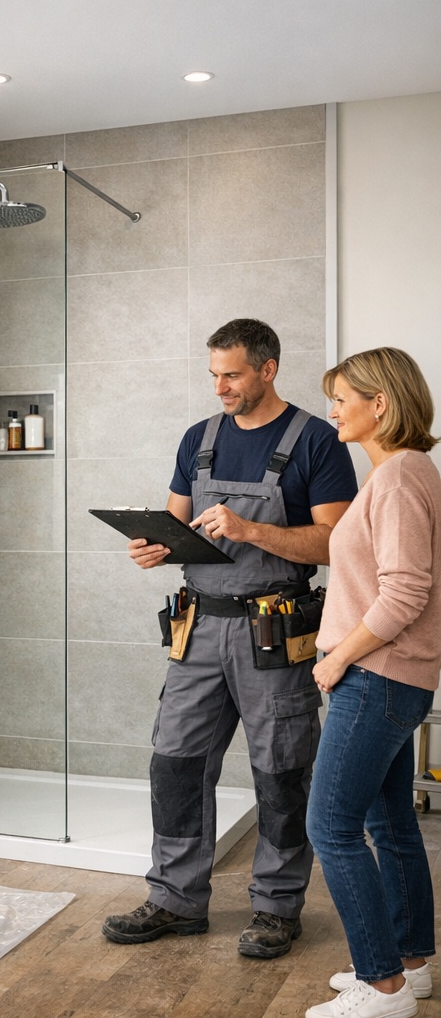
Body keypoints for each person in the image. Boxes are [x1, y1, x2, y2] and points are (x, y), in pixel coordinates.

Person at [102, 318, 358, 958]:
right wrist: (154, 547)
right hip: (198, 629)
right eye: (214, 374)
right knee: (176, 766)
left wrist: (253, 531)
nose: (220, 386)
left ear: (268, 369)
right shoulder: (200, 438)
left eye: (233, 374)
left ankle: (276, 908)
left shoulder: (317, 441)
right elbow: (178, 523)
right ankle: (175, 898)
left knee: (281, 772)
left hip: (274, 632)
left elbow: (337, 541)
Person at [304, 348, 440, 1018]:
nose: (333, 410)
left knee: (329, 825)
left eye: (342, 398)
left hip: (376, 677)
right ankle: (409, 964)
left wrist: (336, 660)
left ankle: (382, 987)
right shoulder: (404, 474)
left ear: (379, 404)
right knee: (390, 823)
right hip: (392, 679)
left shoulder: (396, 480)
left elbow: (405, 593)